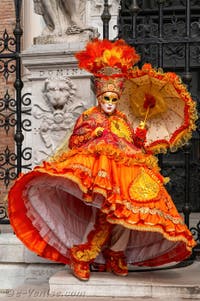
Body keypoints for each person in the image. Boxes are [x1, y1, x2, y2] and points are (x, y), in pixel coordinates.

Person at [8, 39, 196, 281]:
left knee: (127, 214)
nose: (109, 104)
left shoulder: (122, 121)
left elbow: (132, 146)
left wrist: (139, 138)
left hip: (124, 173)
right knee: (102, 214)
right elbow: (76, 141)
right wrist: (94, 133)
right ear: (99, 97)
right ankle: (83, 255)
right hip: (98, 173)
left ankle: (116, 254)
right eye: (106, 99)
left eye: (113, 100)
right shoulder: (89, 116)